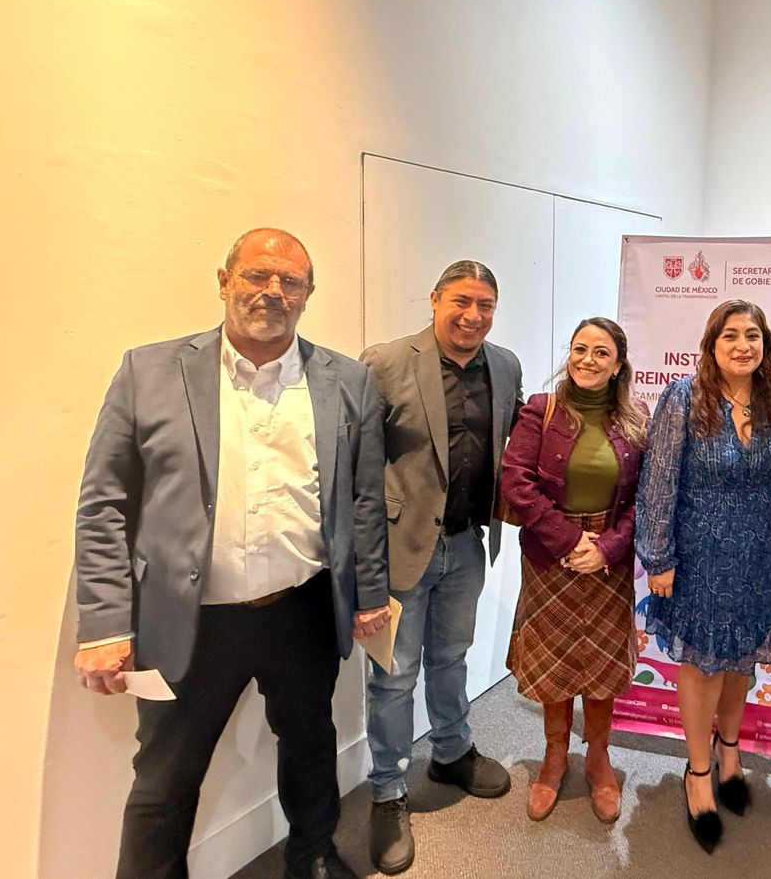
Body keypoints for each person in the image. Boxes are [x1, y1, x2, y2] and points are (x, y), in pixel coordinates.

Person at [73, 228, 389, 879]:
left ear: (308, 294)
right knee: (165, 777)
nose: (273, 291)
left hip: (302, 610)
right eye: (256, 275)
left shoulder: (346, 381)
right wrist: (104, 624)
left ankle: (313, 856)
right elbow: (103, 503)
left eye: (290, 281)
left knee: (310, 743)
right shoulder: (149, 372)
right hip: (189, 619)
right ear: (224, 281)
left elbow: (363, 500)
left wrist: (370, 594)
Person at [359, 260, 523, 875]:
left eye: (485, 305)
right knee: (394, 675)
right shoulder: (384, 363)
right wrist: (362, 562)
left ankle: (452, 752)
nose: (472, 316)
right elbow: (357, 467)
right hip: (399, 548)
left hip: (467, 545)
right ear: (434, 300)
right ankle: (387, 790)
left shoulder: (504, 366)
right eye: (461, 301)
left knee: (452, 657)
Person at [635, 299, 771, 854]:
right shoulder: (683, 397)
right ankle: (698, 770)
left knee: (740, 660)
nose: (743, 345)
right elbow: (658, 481)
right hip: (699, 553)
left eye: (753, 335)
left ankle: (730, 751)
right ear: (711, 344)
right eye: (731, 335)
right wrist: (658, 558)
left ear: (765, 344)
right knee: (702, 664)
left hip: (759, 553)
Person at [498, 318, 649, 824]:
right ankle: (555, 757)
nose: (587, 359)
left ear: (618, 365)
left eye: (601, 352)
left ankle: (599, 758)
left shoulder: (636, 418)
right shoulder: (540, 411)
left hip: (608, 561)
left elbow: (645, 497)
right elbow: (516, 482)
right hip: (550, 556)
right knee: (557, 660)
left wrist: (607, 547)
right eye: (580, 349)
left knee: (602, 662)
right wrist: (568, 540)